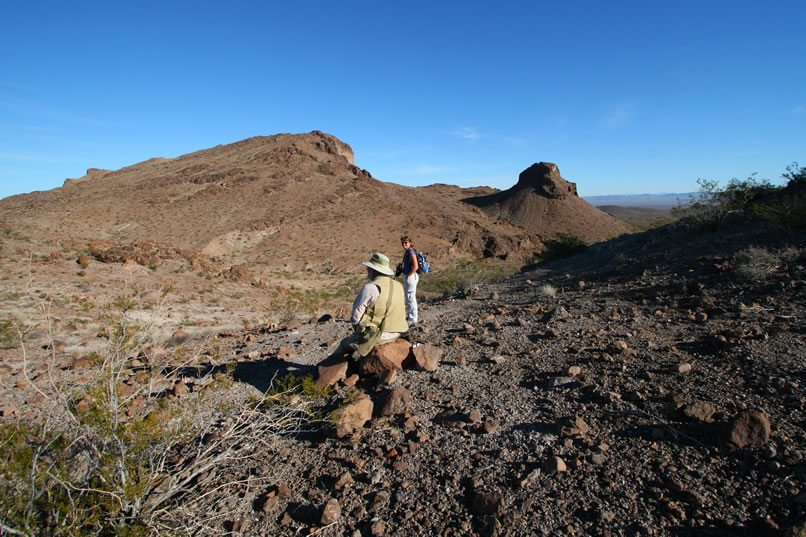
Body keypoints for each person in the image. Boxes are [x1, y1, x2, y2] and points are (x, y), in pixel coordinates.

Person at [331, 252, 409, 358]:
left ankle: (327, 368)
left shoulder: (371, 288)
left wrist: (359, 332)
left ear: (375, 270)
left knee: (345, 344)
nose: (367, 270)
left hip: (379, 335)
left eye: (369, 268)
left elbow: (355, 317)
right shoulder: (399, 285)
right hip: (397, 332)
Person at [399, 236, 419, 325]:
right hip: (409, 275)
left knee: (411, 297)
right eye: (403, 243)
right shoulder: (408, 252)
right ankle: (411, 316)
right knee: (409, 297)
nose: (404, 244)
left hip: (411, 276)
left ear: (410, 243)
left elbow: (416, 266)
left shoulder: (411, 251)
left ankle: (413, 319)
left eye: (406, 242)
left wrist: (409, 275)